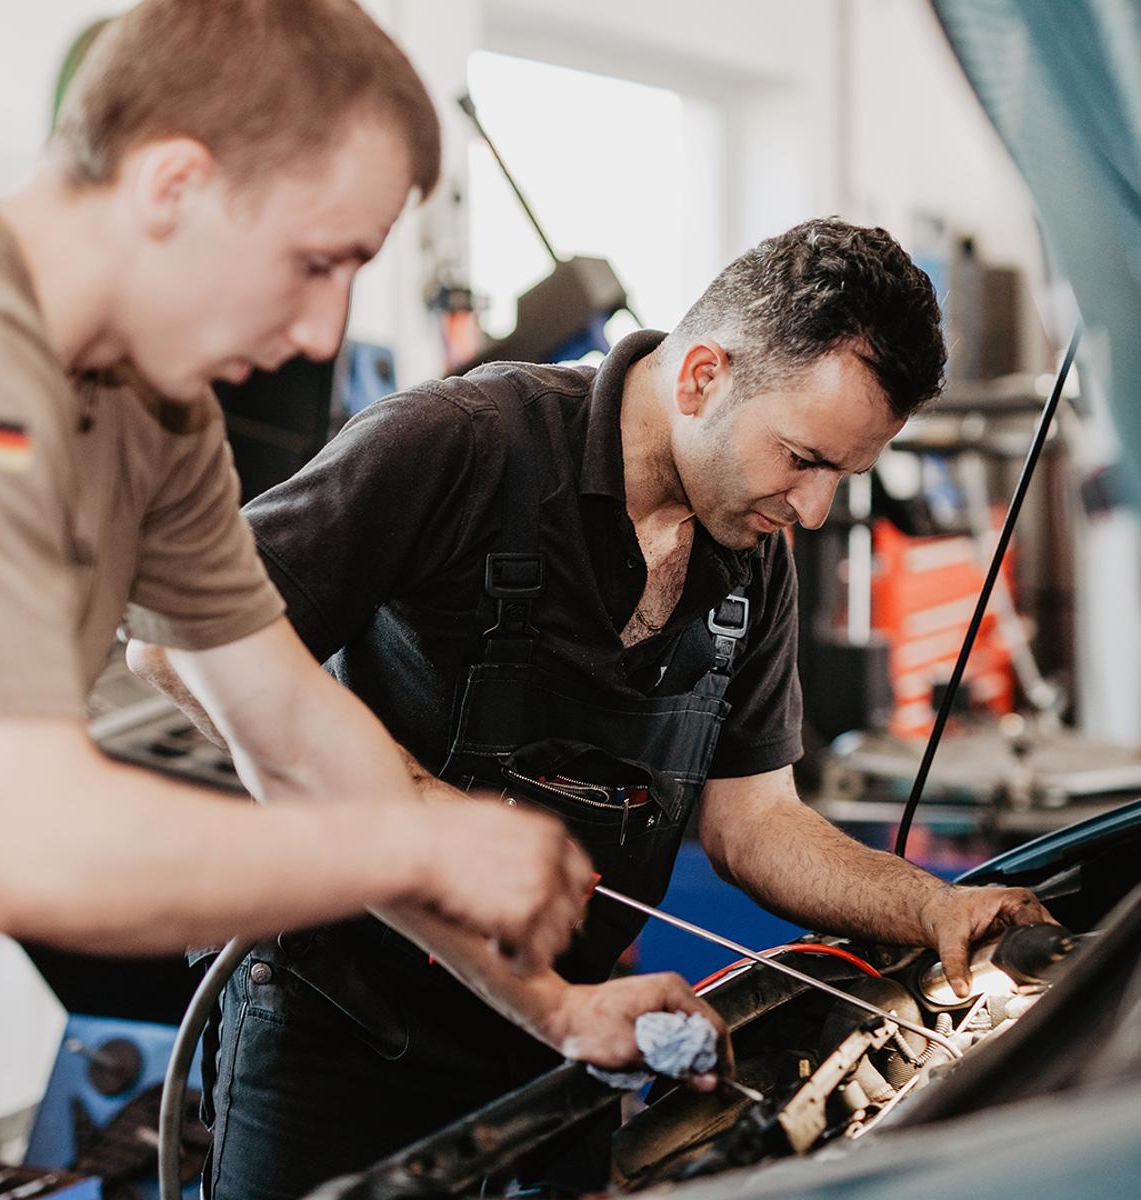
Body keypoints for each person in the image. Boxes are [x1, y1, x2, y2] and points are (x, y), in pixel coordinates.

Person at [136, 217, 1054, 1200]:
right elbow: (176, 628)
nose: (815, 509)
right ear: (701, 374)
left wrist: (933, 906)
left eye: (843, 475)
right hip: (342, 1026)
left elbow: (756, 825)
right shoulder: (460, 445)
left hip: (566, 1034)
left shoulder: (749, 559)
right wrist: (417, 801)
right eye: (802, 458)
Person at [0, 3, 609, 1195]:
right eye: (317, 262)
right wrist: (408, 842)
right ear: (174, 184)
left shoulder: (160, 413)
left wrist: (555, 1009)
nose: (317, 329)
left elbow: (293, 728)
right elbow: (26, 846)